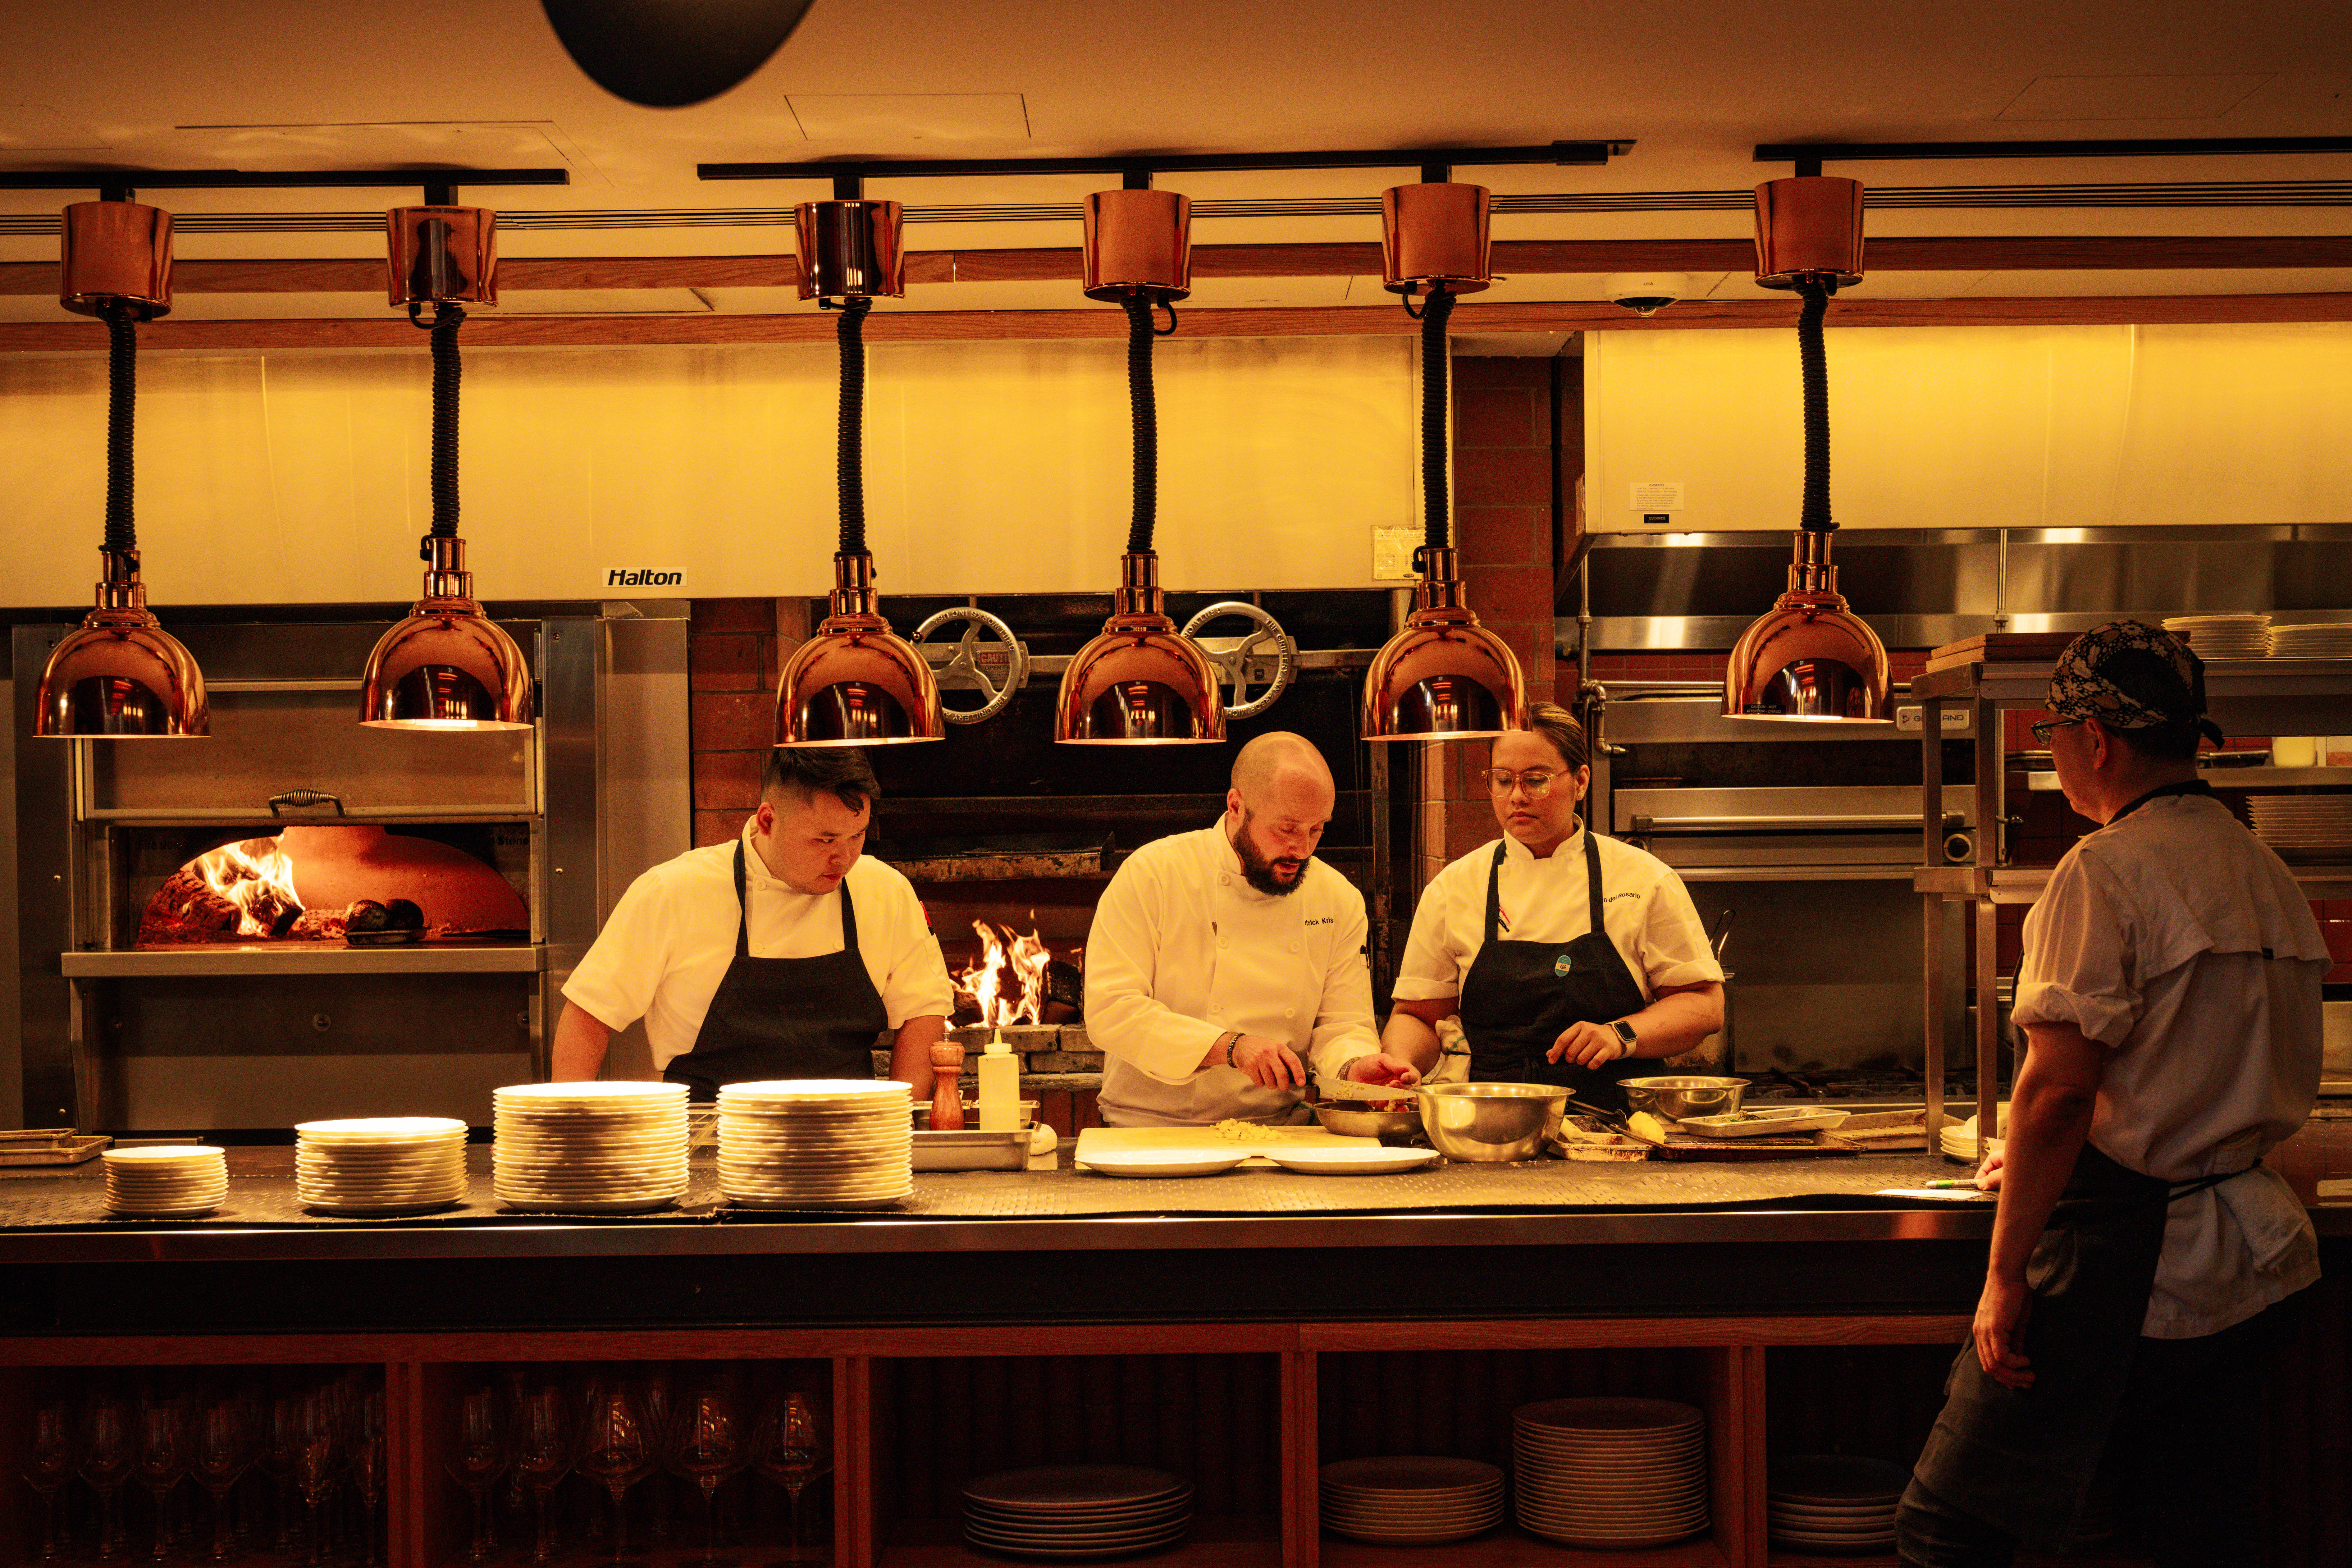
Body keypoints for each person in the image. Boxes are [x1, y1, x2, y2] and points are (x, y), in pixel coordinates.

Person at [1898, 622, 2327, 1568]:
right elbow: (2195, 1069)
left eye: (2049, 729)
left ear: (2095, 738)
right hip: (2255, 1259)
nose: (2050, 750)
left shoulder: (2106, 868)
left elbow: (2059, 1094)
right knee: (2186, 1535)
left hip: (2136, 1268)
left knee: (1950, 1528)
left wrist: (2003, 1274)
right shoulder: (2263, 866)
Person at [552, 747, 952, 1100]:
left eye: (858, 836)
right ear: (767, 820)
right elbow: (589, 1014)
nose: (844, 859)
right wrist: (569, 1131)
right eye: (824, 840)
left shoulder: (885, 890)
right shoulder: (674, 891)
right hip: (709, 1139)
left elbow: (923, 1011)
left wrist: (899, 1123)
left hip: (848, 1136)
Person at [1380, 702, 1723, 1111]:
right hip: (1492, 1116)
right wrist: (1398, 1065)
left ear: (1580, 781)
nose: (1517, 797)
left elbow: (1703, 1004)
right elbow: (1417, 1016)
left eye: (1536, 780)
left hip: (1615, 1121)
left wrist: (1621, 1034)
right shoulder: (1455, 888)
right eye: (1502, 780)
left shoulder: (1642, 880)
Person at [1085, 732, 1422, 1127]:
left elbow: (1342, 1023)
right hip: (1146, 1126)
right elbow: (1112, 1009)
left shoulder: (1336, 899)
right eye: (1287, 829)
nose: (1302, 849)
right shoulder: (1154, 875)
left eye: (1317, 830)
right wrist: (1232, 1048)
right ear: (1235, 806)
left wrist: (1353, 1066)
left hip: (1277, 1128)